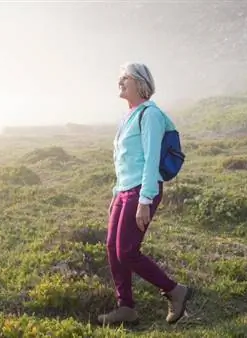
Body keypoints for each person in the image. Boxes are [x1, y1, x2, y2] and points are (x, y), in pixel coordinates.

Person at [98, 62, 192, 325]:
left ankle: (175, 291)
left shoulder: (150, 115)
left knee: (127, 251)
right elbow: (124, 161)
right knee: (112, 248)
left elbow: (151, 161)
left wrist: (145, 200)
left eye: (124, 78)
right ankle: (125, 306)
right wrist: (116, 195)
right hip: (124, 191)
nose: (119, 82)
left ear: (140, 83)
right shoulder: (129, 115)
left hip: (142, 190)